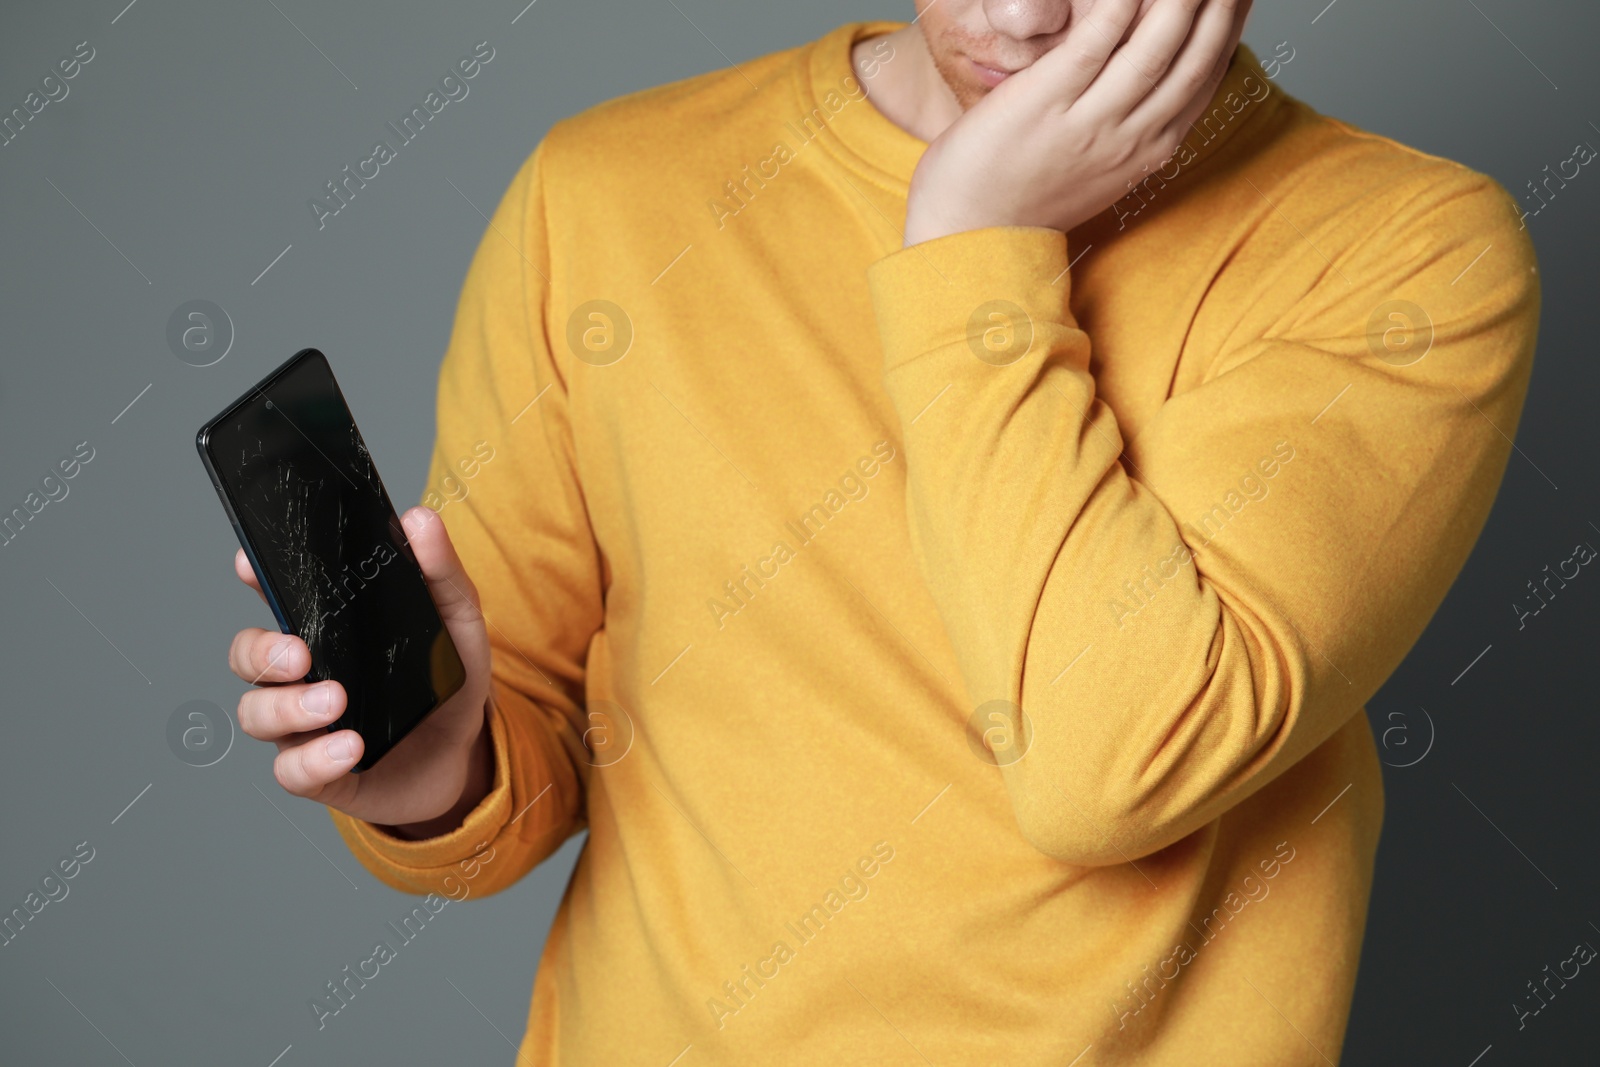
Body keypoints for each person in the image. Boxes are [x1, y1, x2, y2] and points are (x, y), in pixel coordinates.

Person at [225, 0, 1540, 1062]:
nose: (1023, 17)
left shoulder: (1407, 255)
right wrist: (432, 776)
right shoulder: (605, 194)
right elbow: (531, 755)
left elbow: (1114, 767)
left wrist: (973, 237)